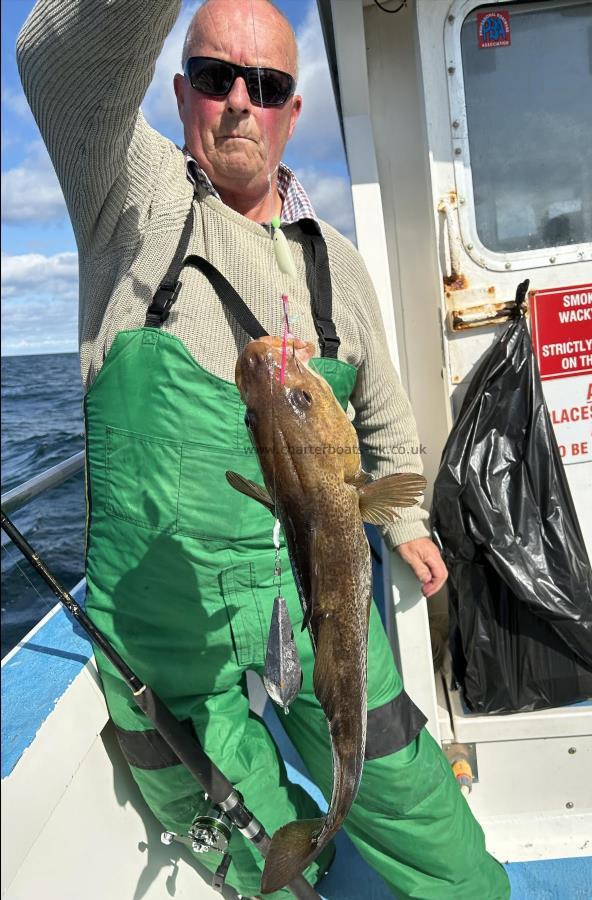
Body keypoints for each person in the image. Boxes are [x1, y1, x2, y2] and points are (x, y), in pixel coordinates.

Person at [17, 1, 510, 897]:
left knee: (402, 783)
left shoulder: (337, 264)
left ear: (292, 111)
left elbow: (383, 417)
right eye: (216, 78)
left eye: (268, 84)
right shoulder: (133, 196)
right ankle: (294, 867)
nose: (240, 101)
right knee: (247, 838)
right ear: (180, 93)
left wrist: (402, 522)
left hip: (314, 589)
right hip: (170, 632)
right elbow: (60, 62)